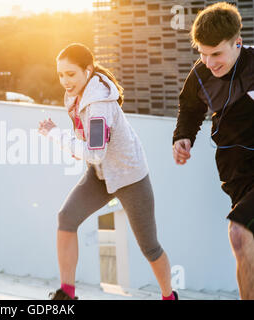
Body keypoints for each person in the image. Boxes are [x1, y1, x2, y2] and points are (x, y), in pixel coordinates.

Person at [38, 43, 178, 300]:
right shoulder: (75, 95)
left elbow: (93, 151)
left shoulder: (99, 104)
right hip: (100, 173)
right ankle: (66, 294)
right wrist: (67, 139)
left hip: (129, 176)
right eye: (60, 75)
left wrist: (54, 134)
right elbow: (89, 144)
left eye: (71, 74)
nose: (65, 81)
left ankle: (169, 297)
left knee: (149, 247)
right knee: (66, 218)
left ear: (87, 71)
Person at [172, 2, 253, 299]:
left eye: (216, 53)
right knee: (245, 242)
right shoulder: (201, 74)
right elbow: (190, 109)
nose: (209, 62)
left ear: (238, 44)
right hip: (236, 175)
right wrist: (183, 137)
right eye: (202, 53)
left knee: (239, 235)